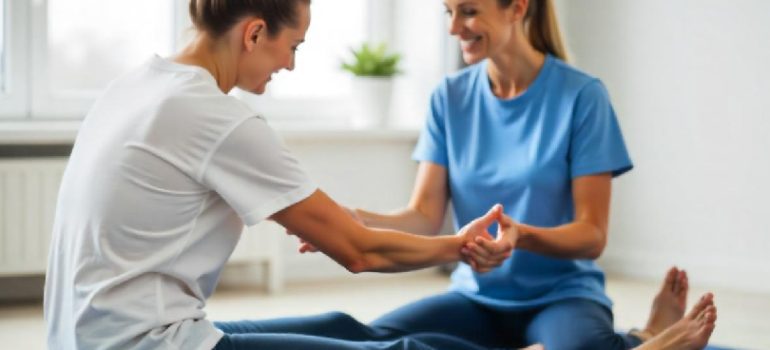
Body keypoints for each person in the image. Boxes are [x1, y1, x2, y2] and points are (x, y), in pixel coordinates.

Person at [42, 1, 515, 349]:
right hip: (147, 344)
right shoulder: (215, 118)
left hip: (84, 337)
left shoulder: (137, 85)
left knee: (340, 325)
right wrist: (460, 246)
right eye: (292, 46)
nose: (290, 63)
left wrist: (330, 220)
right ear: (254, 33)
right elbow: (359, 252)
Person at [286, 0, 718, 348]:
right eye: (448, 12)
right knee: (373, 340)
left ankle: (647, 336)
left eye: (469, 11)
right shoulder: (449, 98)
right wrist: (358, 219)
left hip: (563, 296)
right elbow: (424, 216)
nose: (455, 28)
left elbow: (592, 235)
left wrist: (521, 235)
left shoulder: (583, 97)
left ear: (517, 8)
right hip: (475, 297)